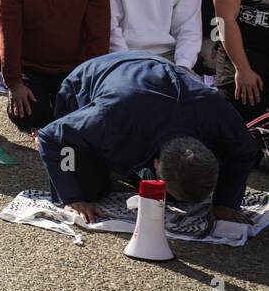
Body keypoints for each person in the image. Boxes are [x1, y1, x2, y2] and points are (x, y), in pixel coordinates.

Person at [36, 52, 259, 225]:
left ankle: (128, 169)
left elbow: (246, 151)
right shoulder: (111, 116)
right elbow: (52, 137)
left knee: (170, 195)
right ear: (157, 163)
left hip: (149, 86)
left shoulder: (217, 113)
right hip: (89, 81)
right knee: (91, 192)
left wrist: (225, 203)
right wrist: (72, 198)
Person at [0, 0, 111, 131]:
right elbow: (10, 36)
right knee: (26, 114)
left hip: (75, 69)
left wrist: (90, 82)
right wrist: (14, 83)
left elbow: (98, 36)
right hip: (31, 69)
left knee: (82, 116)